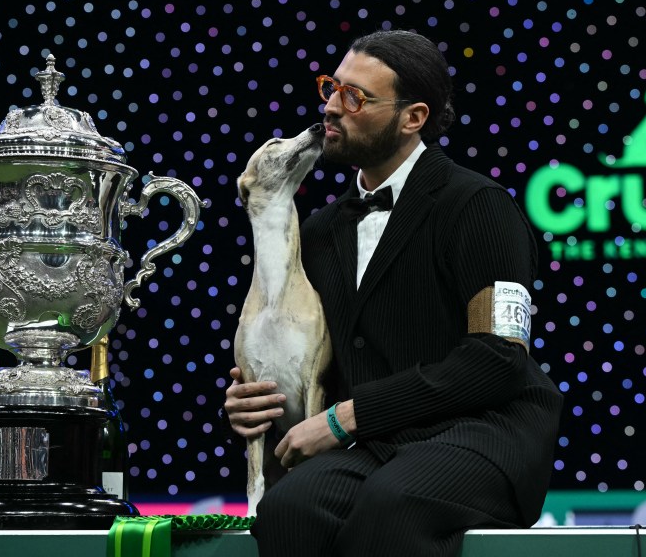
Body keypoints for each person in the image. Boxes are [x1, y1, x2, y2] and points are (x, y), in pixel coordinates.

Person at [224, 29, 563, 556]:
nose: (331, 109)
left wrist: (346, 418)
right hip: (380, 446)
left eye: (355, 97)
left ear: (413, 118)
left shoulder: (480, 206)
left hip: (485, 433)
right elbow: (317, 364)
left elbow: (498, 360)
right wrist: (259, 401)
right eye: (330, 88)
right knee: (287, 511)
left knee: (392, 505)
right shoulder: (316, 233)